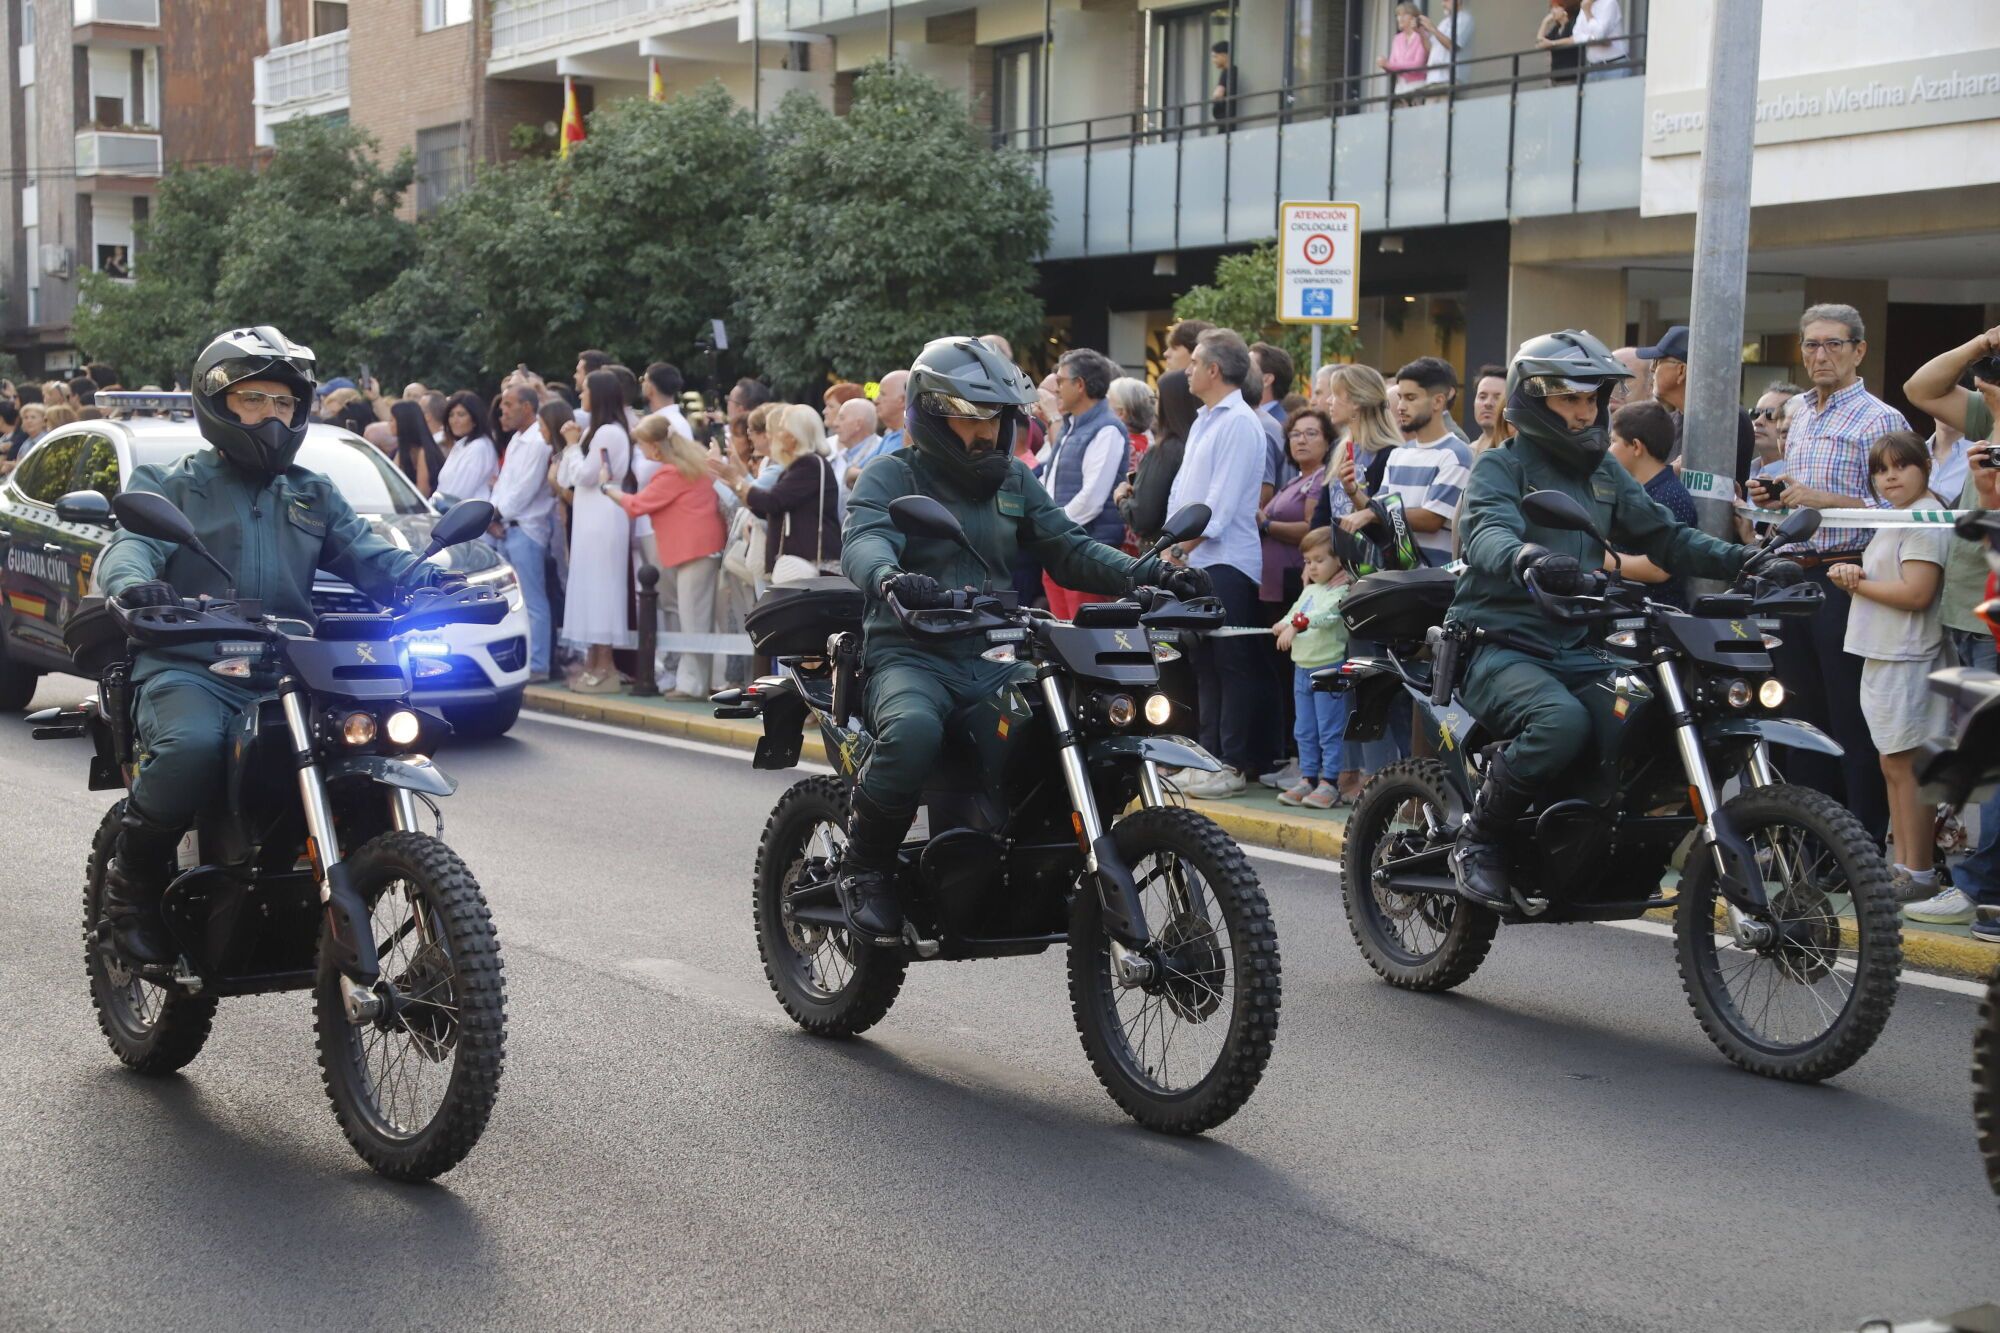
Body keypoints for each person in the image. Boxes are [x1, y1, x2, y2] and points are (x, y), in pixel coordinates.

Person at [93, 326, 462, 964]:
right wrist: (136, 585)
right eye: (254, 399)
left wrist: (433, 578)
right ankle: (130, 890)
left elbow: (371, 557)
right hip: (195, 667)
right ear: (218, 404)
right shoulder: (173, 485)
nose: (272, 415)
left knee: (373, 738)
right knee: (192, 747)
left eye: (284, 403)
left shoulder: (311, 492)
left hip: (292, 669)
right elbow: (130, 547)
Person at [834, 336, 1208, 942]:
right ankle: (864, 867)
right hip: (910, 652)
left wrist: (1154, 571)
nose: (989, 434)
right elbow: (865, 538)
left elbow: (1070, 548)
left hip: (992, 653)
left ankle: (1036, 858)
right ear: (930, 415)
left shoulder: (1011, 480)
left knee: (1067, 718)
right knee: (914, 732)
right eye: (972, 419)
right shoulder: (890, 474)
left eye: (999, 420)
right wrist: (891, 577)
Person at [1445, 329, 1783, 910]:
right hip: (1502, 642)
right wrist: (1525, 556)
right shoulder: (1503, 467)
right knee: (1561, 723)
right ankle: (1479, 837)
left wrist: (1748, 560)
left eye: (1591, 400)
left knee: (1643, 714)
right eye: (1568, 400)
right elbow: (1488, 531)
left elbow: (1664, 537)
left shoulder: (1603, 471)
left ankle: (1605, 837)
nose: (1583, 413)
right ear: (1535, 400)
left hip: (1579, 641)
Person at [1760, 303, 1910, 846]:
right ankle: (1806, 842)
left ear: (1858, 351)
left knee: (1849, 719)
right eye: (1810, 345)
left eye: (1833, 345)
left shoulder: (1880, 419)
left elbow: (1903, 507)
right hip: (1790, 574)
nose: (1820, 356)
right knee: (1796, 716)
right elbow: (1796, 492)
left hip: (1845, 576)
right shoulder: (1797, 409)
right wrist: (1772, 496)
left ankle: (1858, 844)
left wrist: (1827, 501)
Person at [1827, 431, 1951, 899]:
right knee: (1893, 765)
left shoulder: (1926, 518)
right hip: (1886, 652)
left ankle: (1917, 872)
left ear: (1925, 467)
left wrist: (1854, 582)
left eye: (1901, 465)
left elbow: (1917, 594)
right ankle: (1903, 866)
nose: (1890, 476)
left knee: (1909, 766)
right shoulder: (1898, 515)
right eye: (1881, 469)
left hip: (1909, 653)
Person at [1165, 329, 1270, 800]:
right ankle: (1207, 759)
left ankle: (1232, 763)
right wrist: (1172, 545)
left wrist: (1179, 545)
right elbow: (1184, 490)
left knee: (1231, 662)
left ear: (1214, 370)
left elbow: (1219, 506)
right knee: (1203, 662)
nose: (1186, 370)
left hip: (1225, 559)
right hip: (1193, 556)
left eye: (1195, 362)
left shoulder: (1239, 422)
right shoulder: (1207, 418)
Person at [599, 414, 724, 699]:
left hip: (692, 551)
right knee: (697, 618)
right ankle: (697, 681)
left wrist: (607, 488)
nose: (641, 451)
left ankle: (692, 685)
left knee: (693, 619)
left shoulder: (671, 473)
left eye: (643, 445)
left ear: (655, 447)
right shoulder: (691, 464)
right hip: (701, 549)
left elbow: (637, 505)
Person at [1255, 408, 1335, 790]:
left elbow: (1309, 529)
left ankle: (1313, 769)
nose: (1301, 440)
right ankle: (1298, 762)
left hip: (1296, 580)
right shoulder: (1294, 478)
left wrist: (1266, 524)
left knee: (1298, 685)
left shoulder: (1319, 480)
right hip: (1278, 586)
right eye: (1295, 435)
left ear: (1328, 441)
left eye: (1311, 434)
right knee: (1286, 683)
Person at [1348, 357, 1472, 567]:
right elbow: (1379, 511)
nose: (1401, 407)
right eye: (1399, 398)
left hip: (1433, 580)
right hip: (1397, 577)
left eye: (1411, 398)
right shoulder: (1399, 454)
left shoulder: (1456, 453)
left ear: (1438, 401)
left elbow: (1431, 520)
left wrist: (1370, 513)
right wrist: (1352, 491)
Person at [555, 369, 636, 693]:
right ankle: (593, 661)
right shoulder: (597, 430)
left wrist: (572, 446)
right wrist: (572, 448)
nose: (580, 394)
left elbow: (588, 476)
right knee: (589, 589)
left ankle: (607, 666)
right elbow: (565, 477)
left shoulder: (609, 432)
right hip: (590, 519)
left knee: (603, 590)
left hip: (603, 518)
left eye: (585, 389)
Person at [1043, 349, 1132, 617]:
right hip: (1062, 548)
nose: (1055, 389)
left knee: (1085, 645)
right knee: (1061, 639)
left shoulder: (1107, 429)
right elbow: (1050, 485)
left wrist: (1048, 528)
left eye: (1060, 381)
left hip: (1087, 552)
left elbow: (1091, 500)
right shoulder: (1072, 426)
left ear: (1080, 385)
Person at [1274, 528, 1350, 810]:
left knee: (1329, 728)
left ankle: (1330, 781)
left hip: (1328, 667)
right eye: (1307, 561)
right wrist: (1283, 622)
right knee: (1304, 729)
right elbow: (1295, 611)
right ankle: (1308, 777)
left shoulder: (1341, 591)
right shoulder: (1310, 589)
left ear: (1338, 560)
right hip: (1302, 667)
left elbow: (1325, 616)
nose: (1312, 567)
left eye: (1319, 560)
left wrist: (1294, 626)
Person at [1604, 400, 1698, 609]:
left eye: (1613, 441)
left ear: (1636, 447)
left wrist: (1598, 556)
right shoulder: (1636, 490)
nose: (1608, 450)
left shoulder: (1671, 496)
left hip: (1655, 618)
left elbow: (1657, 569)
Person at [491, 385, 557, 681]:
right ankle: (520, 659)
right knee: (511, 602)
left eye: (509, 404)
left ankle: (539, 663)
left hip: (526, 529)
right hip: (506, 528)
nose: (502, 410)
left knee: (533, 600)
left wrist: (496, 514)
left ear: (527, 407)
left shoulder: (537, 443)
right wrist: (491, 516)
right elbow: (504, 486)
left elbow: (524, 491)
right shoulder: (518, 439)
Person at [1634, 325, 1756, 482]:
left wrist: (1668, 473)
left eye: (1657, 362)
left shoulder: (1727, 419)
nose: (1652, 369)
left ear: (1681, 371)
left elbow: (1706, 489)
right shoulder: (1668, 422)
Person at [737, 404, 841, 586]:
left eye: (782, 428)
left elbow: (772, 501)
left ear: (794, 436)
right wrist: (735, 486)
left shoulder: (809, 464)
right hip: (802, 561)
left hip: (808, 563)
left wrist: (734, 481)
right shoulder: (802, 465)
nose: (775, 435)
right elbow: (770, 508)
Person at [1116, 369, 1196, 548]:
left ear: (1170, 403)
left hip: (1161, 552)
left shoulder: (1165, 450)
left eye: (1157, 399)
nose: (1154, 406)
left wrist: (1120, 497)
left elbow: (1142, 518)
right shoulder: (1195, 443)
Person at [434, 390, 498, 508]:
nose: (454, 420)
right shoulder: (462, 445)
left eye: (461, 414)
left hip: (462, 517)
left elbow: (459, 494)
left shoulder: (479, 447)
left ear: (475, 419)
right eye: (451, 415)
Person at [1539, 0, 1626, 80]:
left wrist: (1588, 12)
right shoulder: (1584, 6)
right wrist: (1592, 39)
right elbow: (1576, 34)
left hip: (1614, 65)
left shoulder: (1608, 3)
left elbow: (1599, 34)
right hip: (1593, 67)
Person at [389, 399, 444, 498]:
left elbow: (423, 492)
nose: (389, 423)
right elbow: (390, 479)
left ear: (404, 422)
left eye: (392, 419)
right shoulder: (401, 450)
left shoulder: (424, 452)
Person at [1749, 383, 1803, 480]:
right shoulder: (1740, 471)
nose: (1758, 421)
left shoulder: (1802, 479)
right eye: (1755, 413)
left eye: (1771, 414)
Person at [1421, 0, 1474, 95]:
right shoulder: (1444, 22)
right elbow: (1430, 49)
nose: (1443, 4)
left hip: (1450, 80)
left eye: (1446, 0)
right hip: (1433, 80)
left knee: (1446, 109)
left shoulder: (1465, 18)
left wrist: (1432, 29)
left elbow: (1453, 45)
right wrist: (1421, 33)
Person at [1379, 4, 1431, 97]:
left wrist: (1389, 65)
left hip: (1417, 85)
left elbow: (1418, 64)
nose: (1400, 18)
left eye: (1404, 14)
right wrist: (1384, 65)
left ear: (1414, 18)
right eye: (1398, 15)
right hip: (1400, 87)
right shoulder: (1397, 39)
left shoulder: (1422, 36)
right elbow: (1392, 65)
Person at [1468, 363, 1508, 452]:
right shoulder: (1468, 451)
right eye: (1482, 397)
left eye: (1497, 398)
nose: (1488, 403)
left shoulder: (1513, 452)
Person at [1209, 41, 1236, 130]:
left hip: (1226, 120)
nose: (1213, 60)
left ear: (1225, 55)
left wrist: (1215, 98)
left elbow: (1218, 94)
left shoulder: (1228, 71)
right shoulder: (1232, 71)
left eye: (1215, 56)